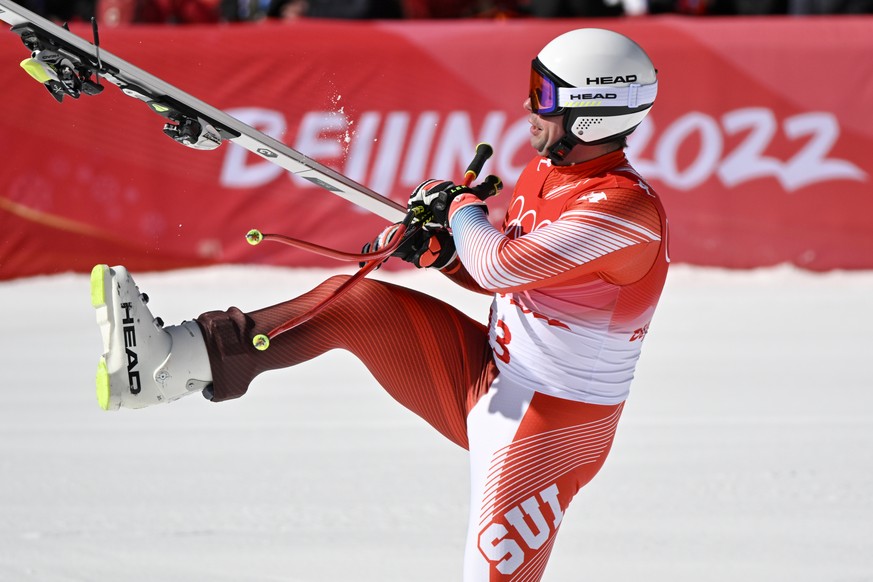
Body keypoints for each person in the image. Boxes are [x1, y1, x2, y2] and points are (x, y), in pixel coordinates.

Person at [91, 28, 668, 580]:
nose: (528, 105)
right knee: (358, 302)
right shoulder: (543, 172)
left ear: (594, 111)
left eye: (544, 94)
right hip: (489, 371)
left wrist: (461, 210)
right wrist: (443, 255)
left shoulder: (626, 212)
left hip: (549, 427)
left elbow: (499, 266)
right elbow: (504, 279)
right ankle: (171, 364)